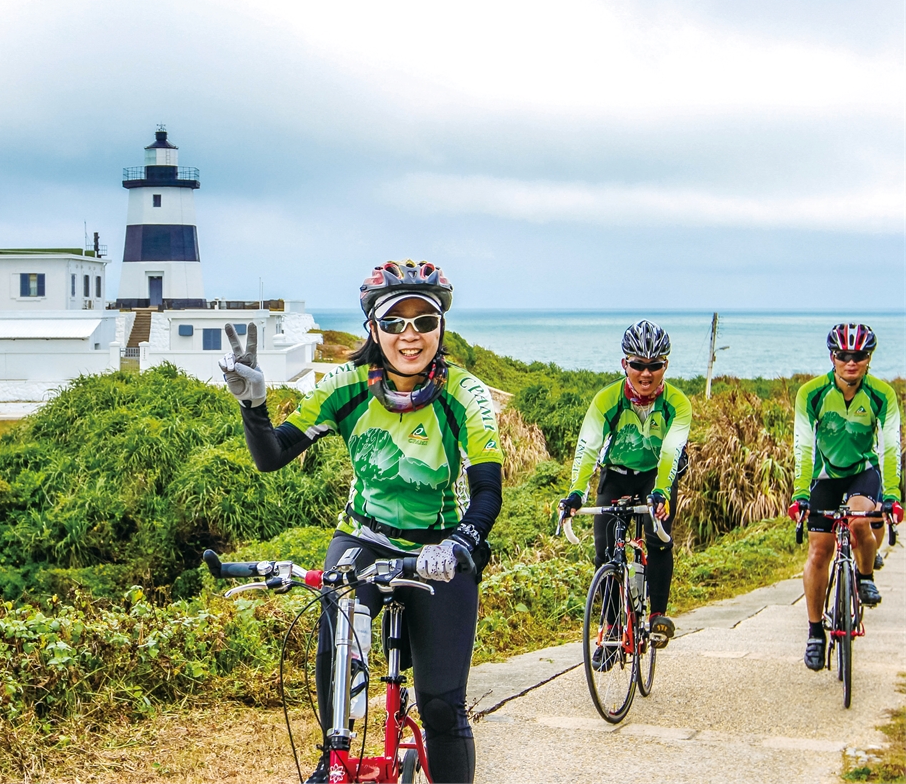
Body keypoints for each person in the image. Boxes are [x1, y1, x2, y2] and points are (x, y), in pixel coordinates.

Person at [221, 260, 502, 784]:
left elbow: (488, 489)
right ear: (373, 329)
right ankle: (335, 759)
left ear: (442, 327)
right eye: (395, 322)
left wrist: (464, 541)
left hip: (439, 547)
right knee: (334, 660)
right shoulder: (345, 385)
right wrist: (254, 407)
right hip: (363, 538)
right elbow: (273, 455)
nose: (410, 335)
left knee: (442, 707)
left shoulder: (465, 393)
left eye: (425, 320)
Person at [558, 320, 692, 667]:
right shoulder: (607, 399)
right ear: (624, 365)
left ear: (666, 365)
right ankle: (613, 632)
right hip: (616, 476)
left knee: (659, 540)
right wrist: (576, 493)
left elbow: (671, 452)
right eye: (637, 364)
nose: (645, 374)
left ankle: (658, 616)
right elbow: (588, 448)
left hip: (655, 476)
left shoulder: (677, 403)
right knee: (605, 555)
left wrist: (662, 492)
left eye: (654, 365)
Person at [788, 323, 902, 671]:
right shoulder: (812, 393)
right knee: (819, 551)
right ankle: (814, 633)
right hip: (825, 475)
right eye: (843, 356)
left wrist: (893, 493)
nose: (850, 363)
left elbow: (892, 446)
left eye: (859, 356)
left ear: (869, 359)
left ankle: (865, 578)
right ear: (832, 357)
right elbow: (803, 444)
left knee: (857, 522)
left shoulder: (882, 395)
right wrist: (801, 493)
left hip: (863, 472)